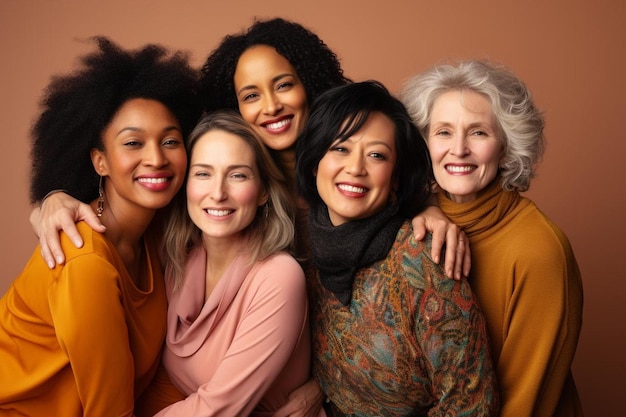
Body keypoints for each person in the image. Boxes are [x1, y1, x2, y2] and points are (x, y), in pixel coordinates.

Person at [32, 18, 470, 283]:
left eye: (283, 85)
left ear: (309, 85)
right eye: (251, 95)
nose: (271, 106)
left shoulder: (348, 170)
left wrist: (426, 207)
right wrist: (52, 197)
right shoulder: (224, 187)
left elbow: (396, 180)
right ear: (234, 106)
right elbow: (136, 174)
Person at [0, 37, 200, 416]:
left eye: (170, 140)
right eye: (133, 143)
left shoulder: (159, 235)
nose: (156, 158)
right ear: (100, 162)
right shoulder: (86, 262)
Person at [294, 80, 498, 416]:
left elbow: (471, 404)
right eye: (341, 148)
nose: (356, 168)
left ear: (397, 177)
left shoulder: (422, 259)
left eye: (376, 155)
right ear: (316, 161)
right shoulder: (302, 243)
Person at [400, 59, 584, 417]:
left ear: (506, 147)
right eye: (443, 132)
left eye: (479, 132)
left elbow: (522, 402)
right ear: (422, 144)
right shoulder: (411, 221)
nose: (459, 149)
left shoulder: (539, 249)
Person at [134, 111, 311, 416]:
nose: (217, 193)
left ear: (263, 192)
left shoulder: (279, 276)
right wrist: (52, 200)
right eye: (203, 173)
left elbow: (216, 410)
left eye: (237, 175)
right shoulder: (177, 256)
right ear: (184, 184)